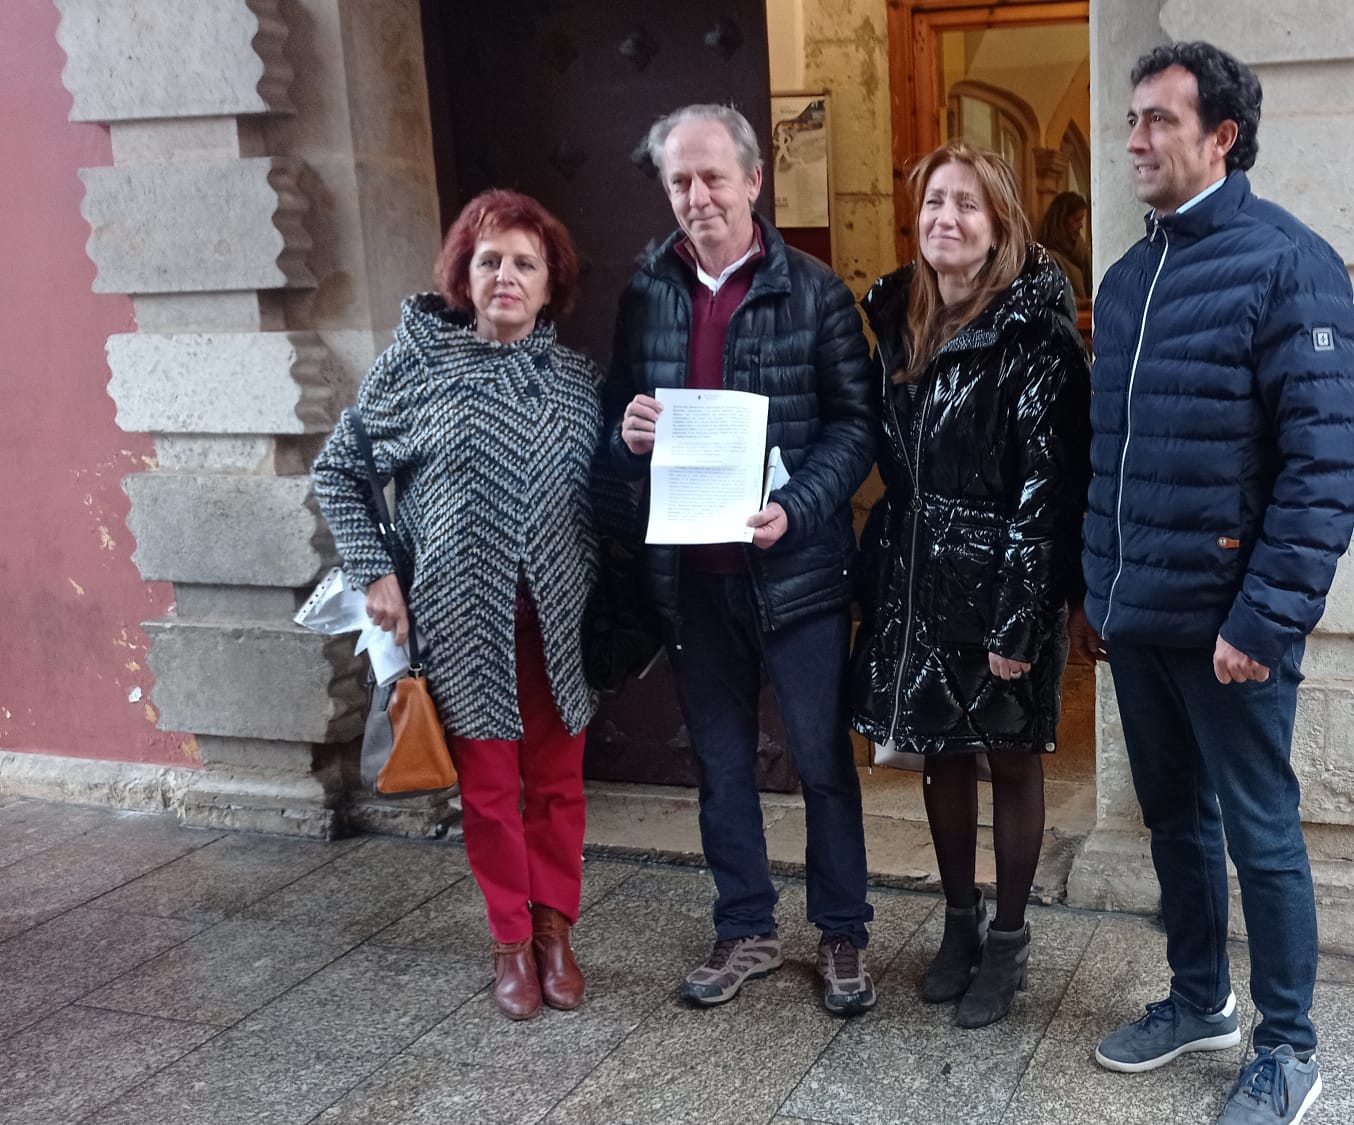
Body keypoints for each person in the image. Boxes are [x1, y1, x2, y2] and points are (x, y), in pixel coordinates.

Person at [1077, 41, 1354, 1125]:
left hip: (1230, 626)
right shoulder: (1128, 275)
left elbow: (1327, 463)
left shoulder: (1289, 265)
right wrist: (1093, 590)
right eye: (1133, 119)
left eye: (1157, 120)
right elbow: (1109, 457)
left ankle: (1287, 1047)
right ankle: (1199, 999)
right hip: (1138, 616)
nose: (1135, 139)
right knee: (1172, 824)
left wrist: (1262, 618)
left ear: (1221, 137)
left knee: (1259, 829)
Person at [607, 104, 880, 1015]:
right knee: (721, 764)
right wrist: (629, 430)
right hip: (692, 579)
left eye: (713, 177)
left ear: (754, 180)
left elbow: (856, 427)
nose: (696, 197)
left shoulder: (816, 291)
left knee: (819, 759)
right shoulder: (646, 289)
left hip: (794, 575)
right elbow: (618, 413)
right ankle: (747, 926)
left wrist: (797, 508)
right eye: (679, 181)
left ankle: (842, 931)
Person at [312, 189, 601, 1021]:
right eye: (489, 261)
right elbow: (339, 471)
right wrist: (375, 570)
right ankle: (510, 942)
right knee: (487, 791)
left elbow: (609, 495)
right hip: (462, 622)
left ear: (551, 285)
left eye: (524, 263)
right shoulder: (416, 368)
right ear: (463, 277)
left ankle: (556, 931)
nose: (506, 276)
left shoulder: (581, 384)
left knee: (557, 788)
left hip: (557, 622)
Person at [850, 142, 1090, 1029]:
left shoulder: (1036, 335)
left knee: (1012, 756)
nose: (945, 219)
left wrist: (1022, 617)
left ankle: (1012, 938)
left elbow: (1048, 487)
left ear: (999, 228)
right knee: (938, 752)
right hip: (916, 568)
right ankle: (960, 921)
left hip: (1001, 574)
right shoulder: (898, 319)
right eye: (933, 203)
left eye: (967, 207)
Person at [1036, 190, 1092, 302]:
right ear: (1061, 221)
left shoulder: (1082, 253)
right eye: (1076, 220)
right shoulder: (1047, 258)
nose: (1081, 225)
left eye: (1081, 220)